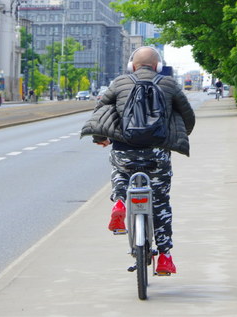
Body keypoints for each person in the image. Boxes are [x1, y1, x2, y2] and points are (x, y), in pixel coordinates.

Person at [81, 47, 195, 274]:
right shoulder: (169, 84)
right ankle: (164, 257)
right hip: (157, 153)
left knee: (119, 169)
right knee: (161, 202)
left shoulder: (119, 82)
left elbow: (100, 110)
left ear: (132, 65)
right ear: (157, 66)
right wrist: (176, 137)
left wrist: (101, 138)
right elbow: (188, 117)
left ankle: (120, 202)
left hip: (125, 149)